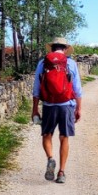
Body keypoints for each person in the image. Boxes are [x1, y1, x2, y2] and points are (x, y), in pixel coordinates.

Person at [31, 38, 83, 184]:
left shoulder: (42, 63)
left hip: (48, 104)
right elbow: (77, 88)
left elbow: (36, 88)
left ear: (52, 48)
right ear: (65, 49)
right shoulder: (71, 63)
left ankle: (50, 158)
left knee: (47, 135)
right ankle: (61, 173)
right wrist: (78, 108)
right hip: (67, 105)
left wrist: (35, 109)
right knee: (64, 137)